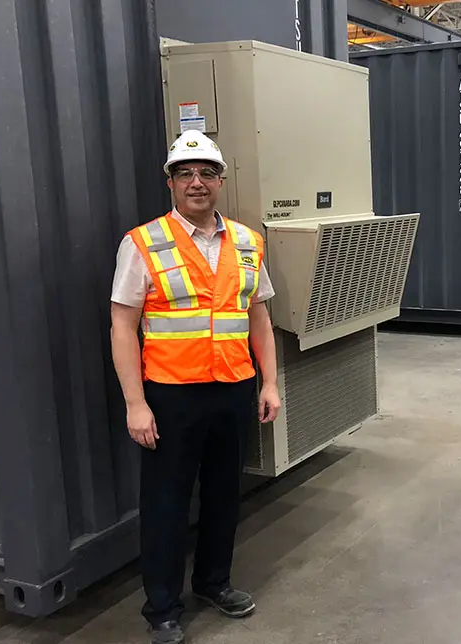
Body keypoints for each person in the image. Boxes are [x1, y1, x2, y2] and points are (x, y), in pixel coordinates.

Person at [110, 130, 280, 644]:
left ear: (221, 181)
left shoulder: (248, 242)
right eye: (185, 173)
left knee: (225, 495)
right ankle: (162, 608)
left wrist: (269, 382)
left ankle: (214, 583)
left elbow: (259, 316)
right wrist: (135, 404)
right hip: (171, 396)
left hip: (233, 389)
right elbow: (122, 325)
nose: (196, 182)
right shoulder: (142, 243)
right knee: (165, 503)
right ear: (170, 183)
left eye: (206, 172)